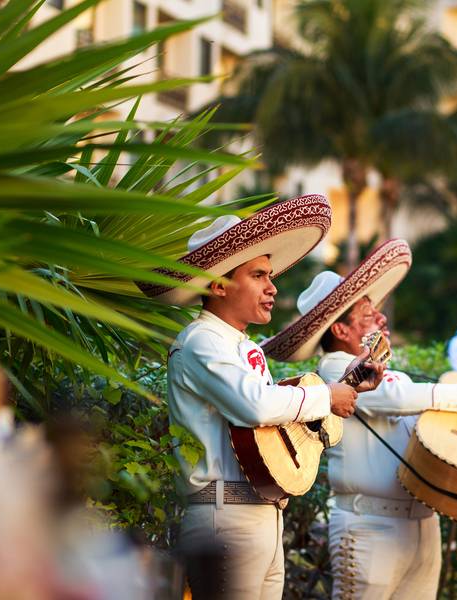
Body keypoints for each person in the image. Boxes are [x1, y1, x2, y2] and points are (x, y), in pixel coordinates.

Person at [139, 195, 382, 600]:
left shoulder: (238, 345)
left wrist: (346, 388)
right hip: (225, 516)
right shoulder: (202, 340)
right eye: (258, 275)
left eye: (270, 275)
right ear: (218, 284)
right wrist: (325, 396)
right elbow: (255, 406)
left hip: (260, 516)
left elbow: (270, 421)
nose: (272, 287)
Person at [263, 239, 457, 600]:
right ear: (340, 331)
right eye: (368, 315)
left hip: (421, 524)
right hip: (369, 527)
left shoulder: (389, 374)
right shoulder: (335, 370)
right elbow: (396, 398)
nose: (381, 319)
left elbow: (419, 411)